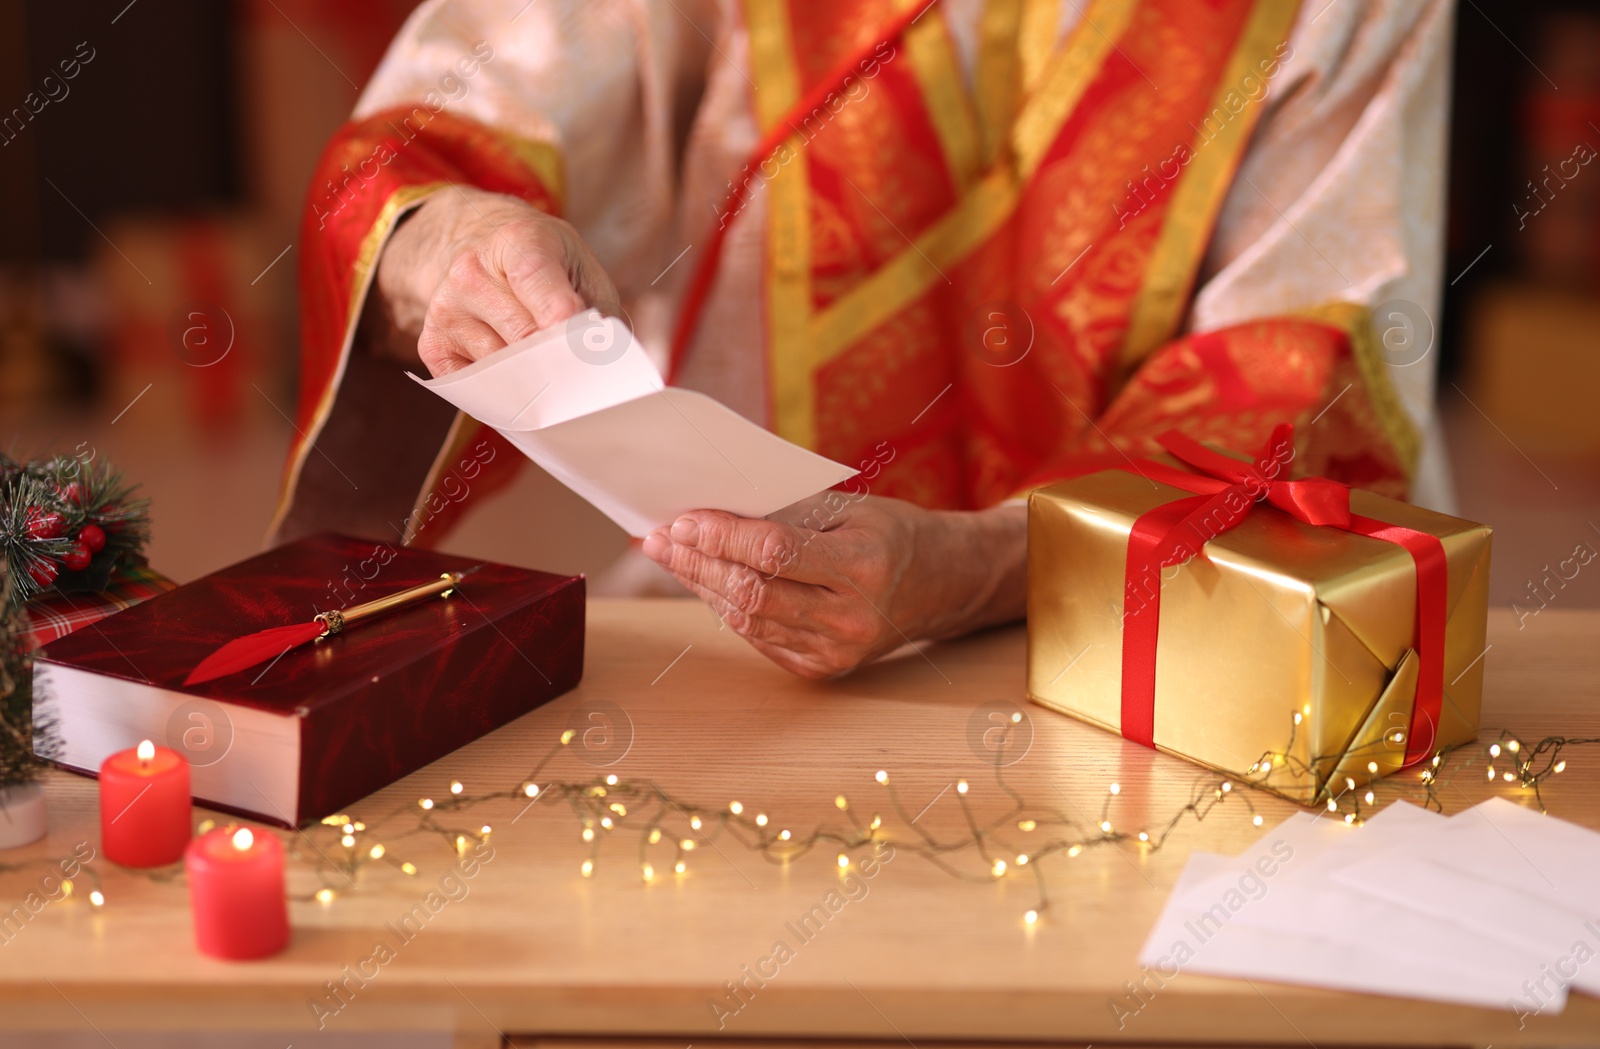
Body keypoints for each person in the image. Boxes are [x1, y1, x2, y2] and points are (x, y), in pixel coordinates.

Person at [270, 0, 1455, 679]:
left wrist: (980, 563)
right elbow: (445, 128)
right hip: (729, 619)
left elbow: (1295, 364)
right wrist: (457, 248)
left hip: (1159, 645)